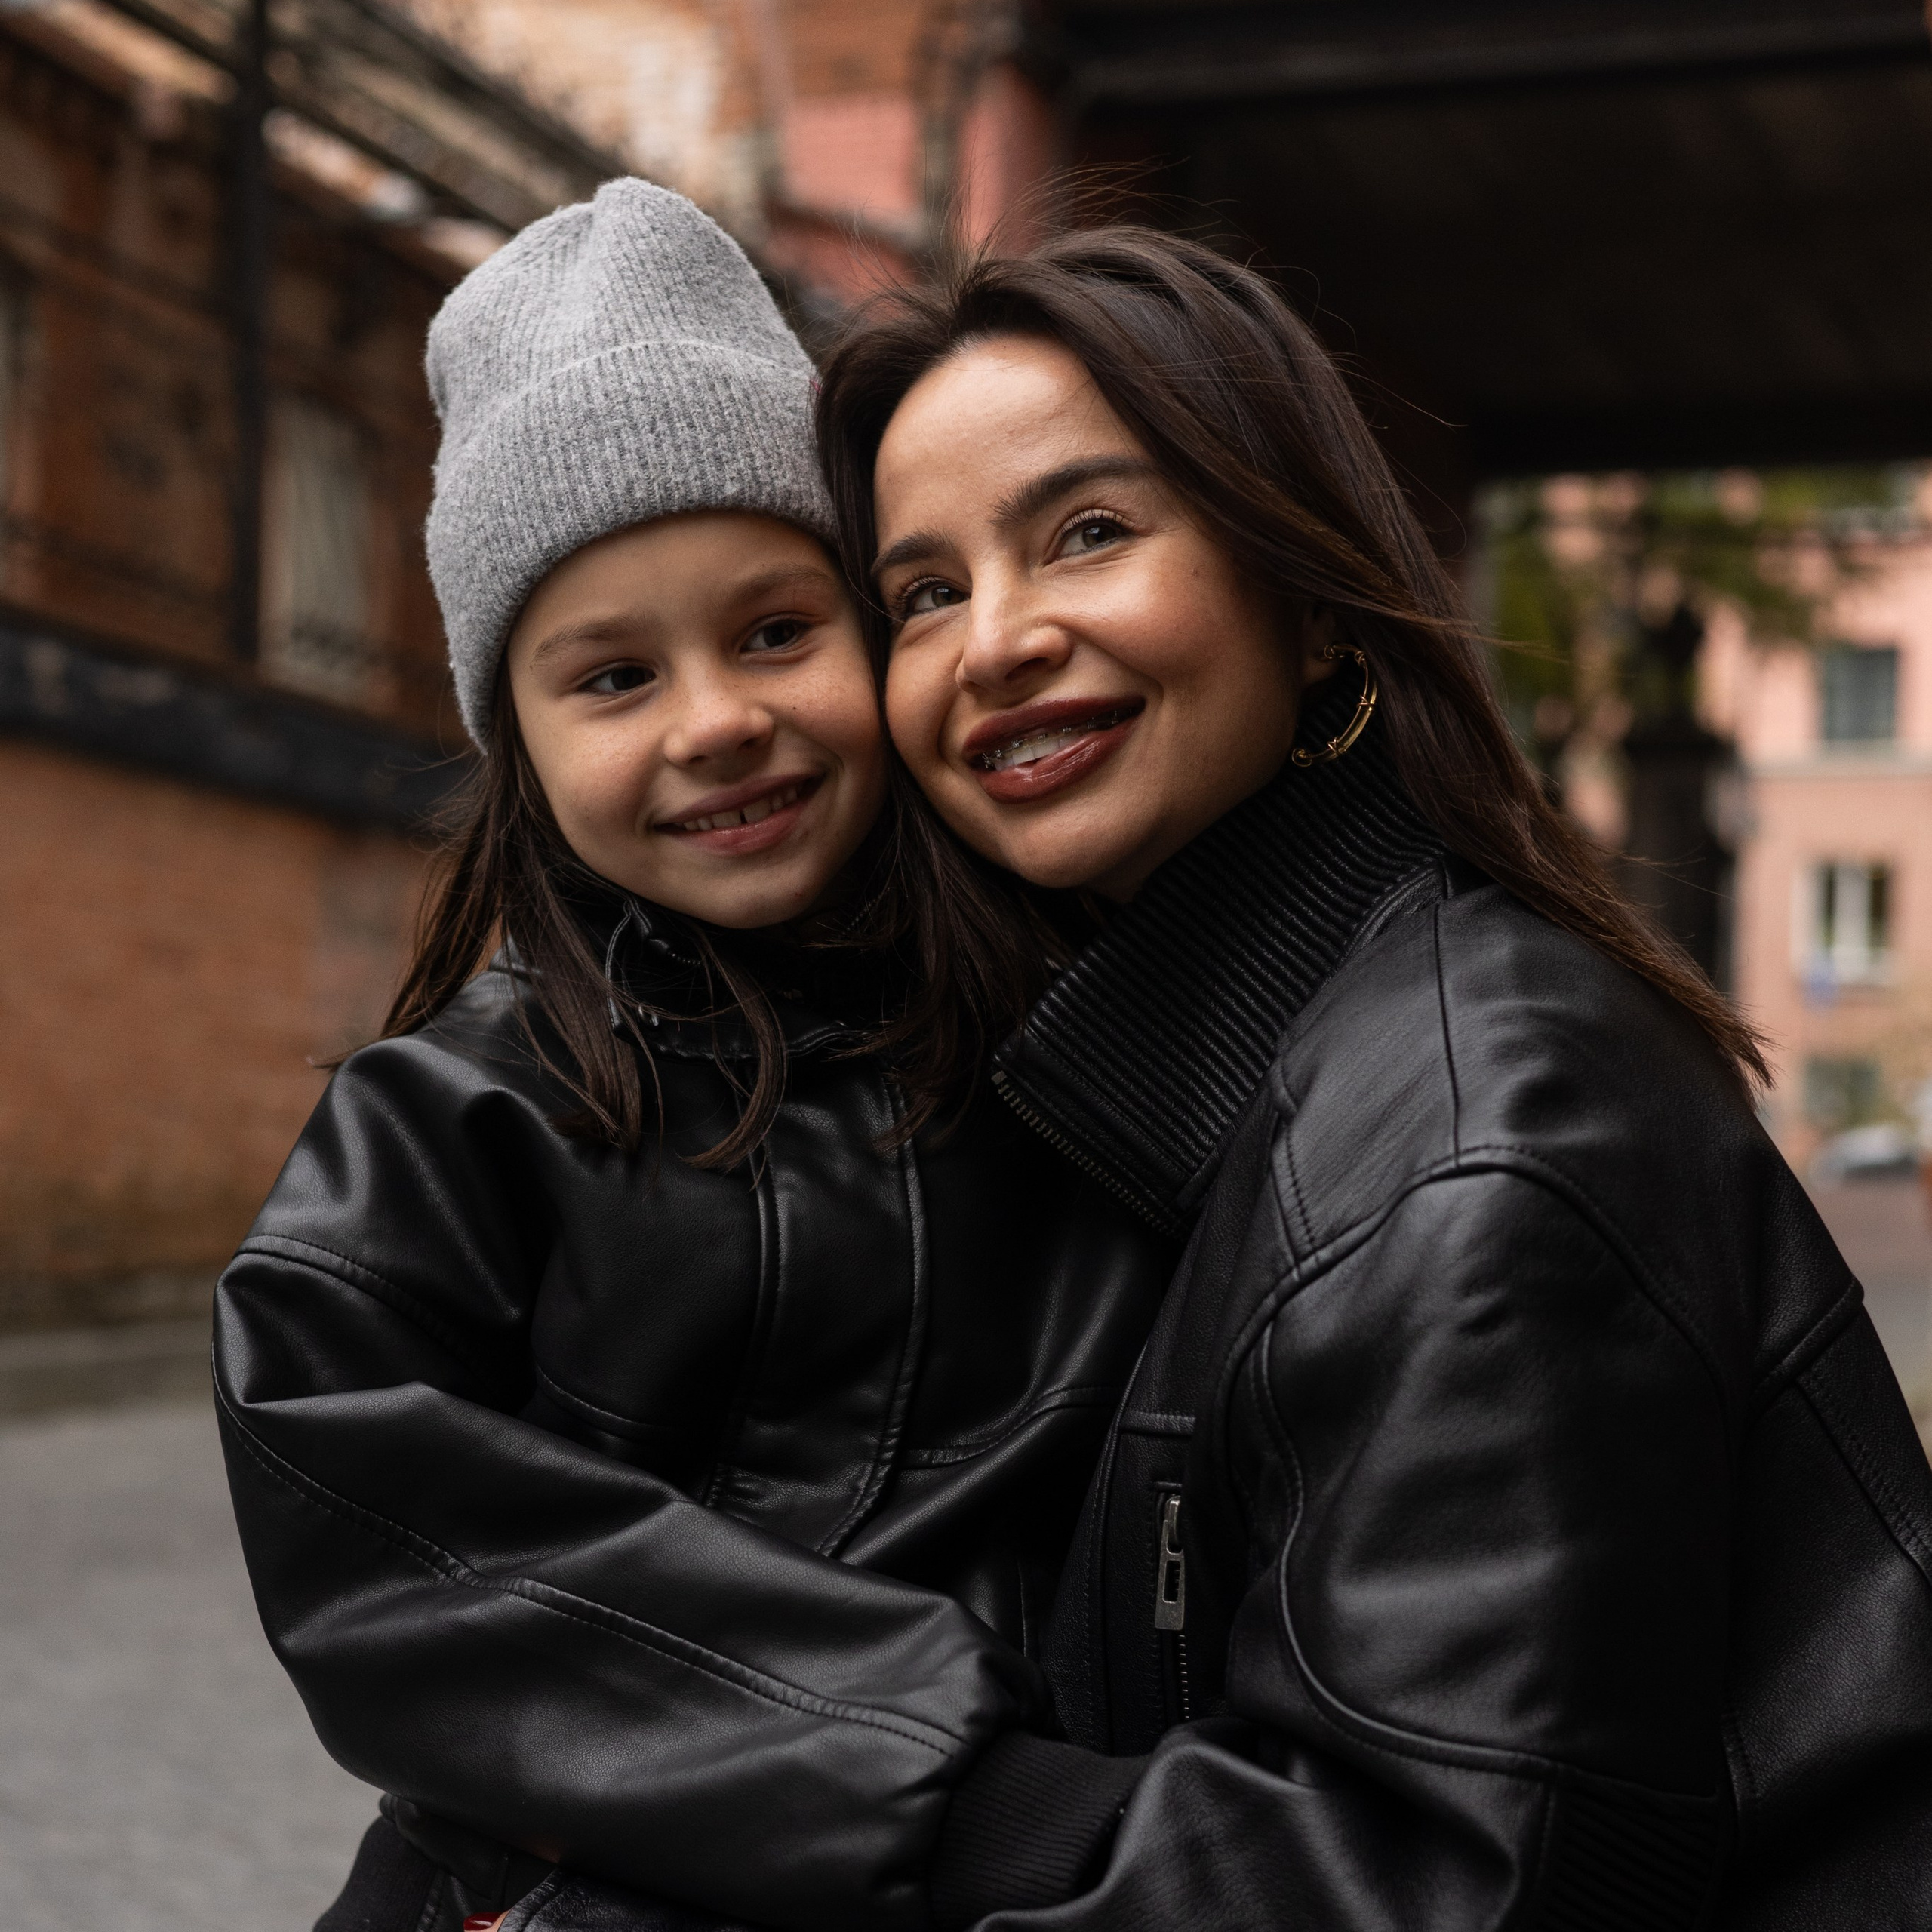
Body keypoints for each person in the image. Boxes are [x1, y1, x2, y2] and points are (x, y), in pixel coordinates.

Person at [807, 226, 1932, 1927]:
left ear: (1317, 603)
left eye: (1088, 532)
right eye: (924, 594)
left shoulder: (1475, 1142)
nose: (994, 642)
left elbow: (1429, 1887)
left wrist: (878, 1791)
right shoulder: (1220, 1092)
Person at [213, 182, 1172, 1932]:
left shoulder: (1072, 1030)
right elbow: (377, 1526)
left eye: (773, 631)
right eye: (611, 677)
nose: (716, 721)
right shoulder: (452, 1115)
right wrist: (956, 1786)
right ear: (516, 742)